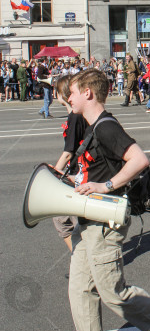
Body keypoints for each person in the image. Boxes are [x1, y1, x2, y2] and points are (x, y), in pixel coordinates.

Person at [52, 69, 150, 331]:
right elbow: (95, 168)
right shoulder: (90, 126)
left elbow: (139, 160)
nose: (68, 97)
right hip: (88, 220)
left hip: (104, 221)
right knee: (80, 289)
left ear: (88, 92)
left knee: (114, 293)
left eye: (72, 91)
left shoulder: (105, 127)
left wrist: (106, 186)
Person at [52, 75, 88, 251]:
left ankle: (80, 257)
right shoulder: (74, 114)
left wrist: (55, 172)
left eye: (57, 90)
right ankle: (81, 256)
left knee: (63, 219)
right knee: (69, 219)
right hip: (78, 171)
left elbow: (69, 152)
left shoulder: (74, 116)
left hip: (76, 173)